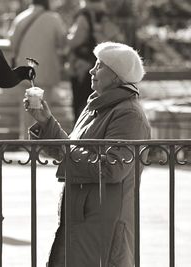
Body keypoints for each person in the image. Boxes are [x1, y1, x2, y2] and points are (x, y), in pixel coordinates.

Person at [24, 42, 151, 266]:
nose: (92, 71)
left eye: (99, 66)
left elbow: (112, 168)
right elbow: (70, 150)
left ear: (116, 76)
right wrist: (46, 123)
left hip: (104, 222)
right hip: (83, 216)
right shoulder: (97, 106)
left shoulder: (128, 114)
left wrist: (64, 148)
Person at [8, 0, 66, 138]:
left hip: (24, 72)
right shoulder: (54, 18)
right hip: (47, 71)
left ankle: (27, 143)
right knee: (45, 111)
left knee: (26, 111)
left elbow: (12, 42)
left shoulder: (21, 18)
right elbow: (62, 42)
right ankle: (43, 144)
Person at [67, 0, 123, 123]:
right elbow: (117, 39)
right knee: (101, 100)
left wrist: (66, 38)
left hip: (83, 67)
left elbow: (75, 40)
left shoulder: (84, 16)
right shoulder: (105, 16)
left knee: (81, 102)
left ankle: (82, 134)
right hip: (105, 67)